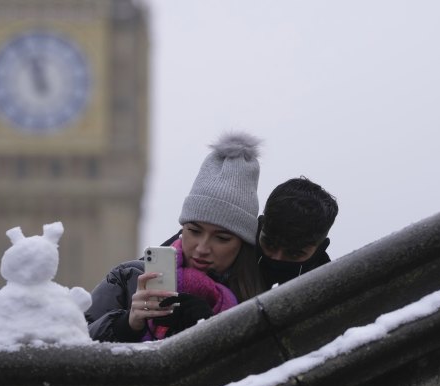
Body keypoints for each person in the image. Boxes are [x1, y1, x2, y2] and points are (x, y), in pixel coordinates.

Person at [85, 131, 267, 342]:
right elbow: (71, 347)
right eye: (194, 231)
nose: (202, 248)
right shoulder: (128, 278)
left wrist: (212, 328)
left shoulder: (261, 295)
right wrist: (127, 324)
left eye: (222, 238)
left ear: (242, 243)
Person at [257, 176, 339, 289]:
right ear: (259, 226)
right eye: (269, 245)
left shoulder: (331, 293)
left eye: (294, 254)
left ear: (319, 250)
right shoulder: (229, 258)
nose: (277, 259)